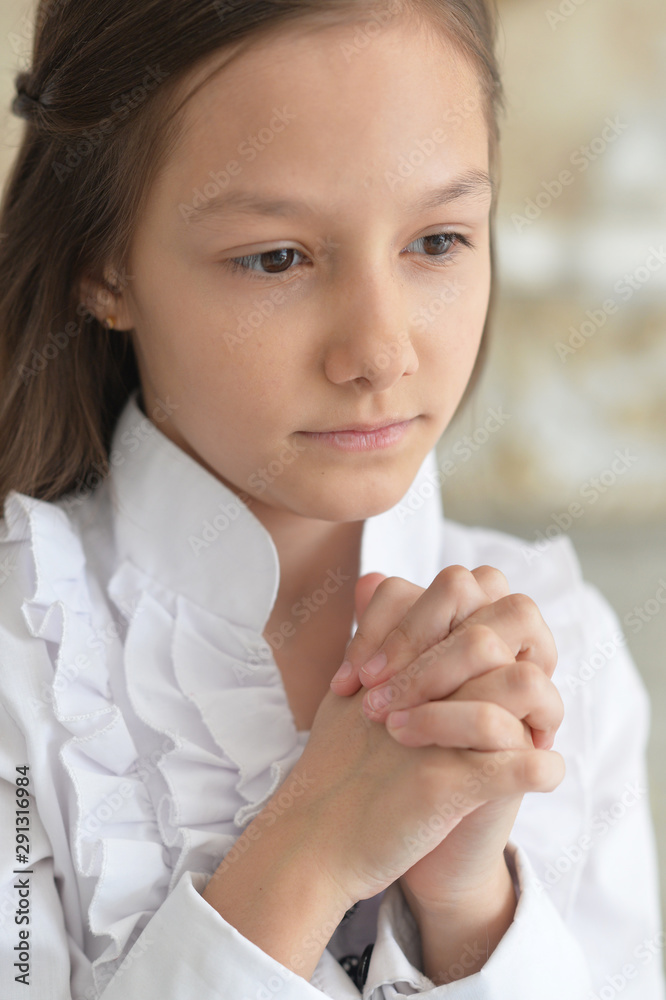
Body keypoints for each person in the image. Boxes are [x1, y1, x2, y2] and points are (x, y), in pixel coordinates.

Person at [0, 1, 662, 998]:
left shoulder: (571, 651)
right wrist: (312, 848)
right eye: (278, 258)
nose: (382, 352)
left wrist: (470, 910)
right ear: (105, 263)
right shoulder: (21, 659)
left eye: (436, 241)